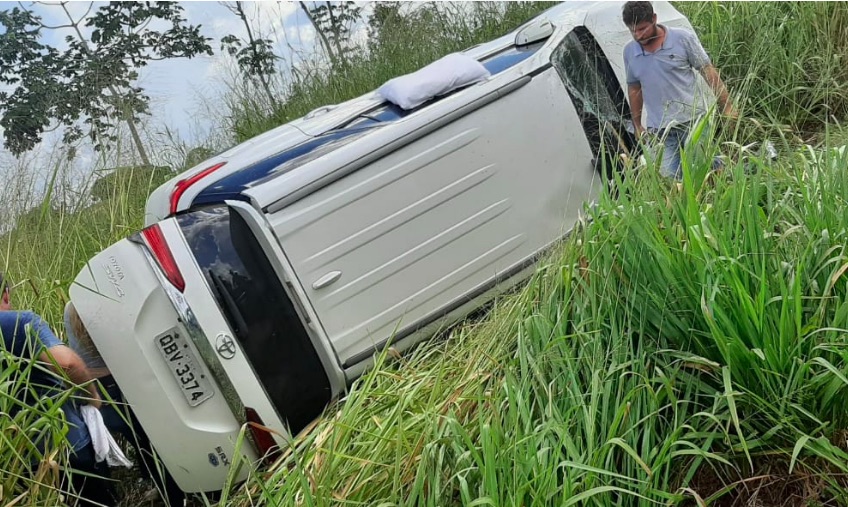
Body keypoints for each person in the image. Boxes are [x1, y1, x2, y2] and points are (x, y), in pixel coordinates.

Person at [0, 273, 115, 506]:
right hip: (66, 447)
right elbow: (67, 363)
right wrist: (91, 396)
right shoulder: (19, 322)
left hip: (14, 464)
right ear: (5, 294)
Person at [65, 301, 186, 507]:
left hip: (95, 388)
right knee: (150, 440)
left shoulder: (71, 307)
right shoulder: (107, 303)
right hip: (116, 382)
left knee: (139, 440)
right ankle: (174, 495)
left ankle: (159, 485)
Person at [622, 1, 738, 179]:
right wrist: (637, 124)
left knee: (701, 169)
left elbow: (708, 71)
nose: (638, 36)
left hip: (693, 120)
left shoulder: (682, 38)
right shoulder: (629, 51)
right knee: (670, 177)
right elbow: (635, 88)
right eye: (633, 30)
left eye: (642, 29)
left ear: (654, 19)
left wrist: (727, 106)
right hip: (661, 129)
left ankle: (723, 178)